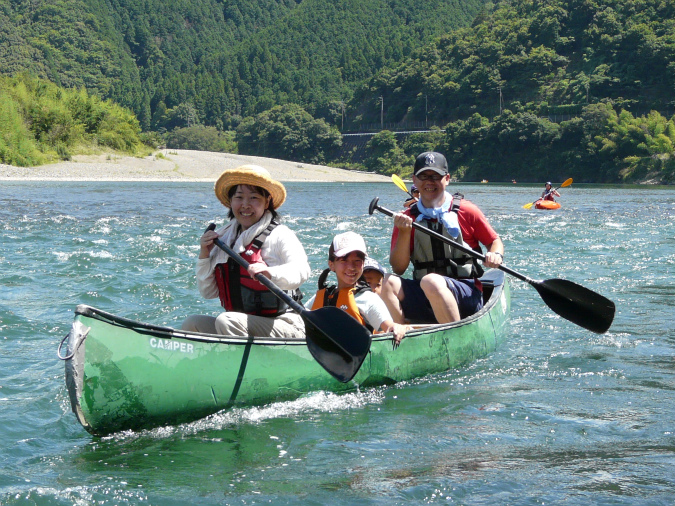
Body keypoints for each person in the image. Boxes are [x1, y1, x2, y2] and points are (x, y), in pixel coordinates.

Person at [182, 165, 311, 338]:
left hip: (285, 323)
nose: (245, 205)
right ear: (231, 201)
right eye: (239, 197)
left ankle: (241, 363)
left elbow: (302, 271)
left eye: (254, 197)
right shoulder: (224, 238)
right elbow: (208, 292)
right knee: (192, 324)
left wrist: (270, 273)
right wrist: (204, 255)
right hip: (240, 324)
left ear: (267, 202)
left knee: (226, 321)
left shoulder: (280, 235)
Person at [380, 151, 504, 325]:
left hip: (465, 292)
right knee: (386, 283)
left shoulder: (467, 211)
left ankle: (456, 335)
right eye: (423, 176)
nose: (429, 182)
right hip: (426, 291)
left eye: (435, 176)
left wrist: (496, 255)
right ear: (414, 181)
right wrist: (404, 232)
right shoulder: (407, 219)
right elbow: (399, 268)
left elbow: (494, 242)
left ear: (447, 179)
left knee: (431, 281)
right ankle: (402, 335)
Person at [305, 232, 408, 345]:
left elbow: (389, 326)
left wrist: (397, 328)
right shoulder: (321, 296)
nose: (351, 267)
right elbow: (299, 317)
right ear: (331, 264)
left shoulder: (368, 299)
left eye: (357, 261)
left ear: (363, 263)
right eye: (344, 260)